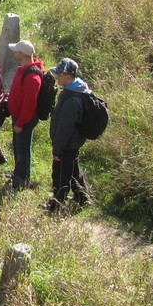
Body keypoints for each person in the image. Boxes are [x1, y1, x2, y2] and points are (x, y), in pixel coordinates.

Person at [46, 57, 93, 212]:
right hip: (73, 142)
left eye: (59, 75)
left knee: (60, 176)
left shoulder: (72, 98)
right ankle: (82, 197)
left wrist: (57, 150)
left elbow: (65, 128)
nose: (57, 77)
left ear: (67, 76)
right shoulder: (75, 91)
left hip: (66, 144)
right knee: (73, 171)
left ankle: (56, 206)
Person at [6, 40, 46, 190]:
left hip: (24, 120)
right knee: (18, 147)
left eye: (16, 51)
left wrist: (20, 123)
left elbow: (30, 105)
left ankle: (22, 180)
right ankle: (18, 174)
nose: (14, 53)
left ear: (21, 54)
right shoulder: (24, 69)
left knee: (23, 149)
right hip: (18, 117)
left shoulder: (32, 77)